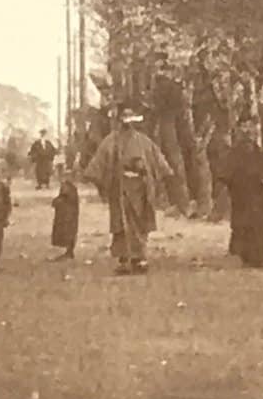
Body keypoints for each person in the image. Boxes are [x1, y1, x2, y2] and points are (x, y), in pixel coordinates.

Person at [85, 107, 177, 275]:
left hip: (140, 188)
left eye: (131, 122)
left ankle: (140, 258)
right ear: (120, 122)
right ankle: (124, 259)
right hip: (120, 189)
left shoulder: (144, 141)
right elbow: (97, 165)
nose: (128, 126)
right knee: (121, 224)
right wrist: (103, 181)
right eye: (125, 122)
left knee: (140, 223)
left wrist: (156, 176)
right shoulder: (111, 141)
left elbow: (159, 163)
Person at [215, 116, 263, 267]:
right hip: (240, 198)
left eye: (251, 127)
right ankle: (245, 256)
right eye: (244, 127)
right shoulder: (234, 154)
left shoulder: (259, 154)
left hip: (258, 197)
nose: (247, 131)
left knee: (260, 227)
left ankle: (260, 257)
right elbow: (224, 176)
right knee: (242, 226)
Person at [50, 162, 79, 260]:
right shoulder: (69, 186)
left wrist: (56, 202)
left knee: (68, 231)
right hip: (68, 213)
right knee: (69, 231)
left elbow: (65, 197)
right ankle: (69, 251)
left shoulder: (68, 186)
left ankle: (69, 252)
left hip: (67, 214)